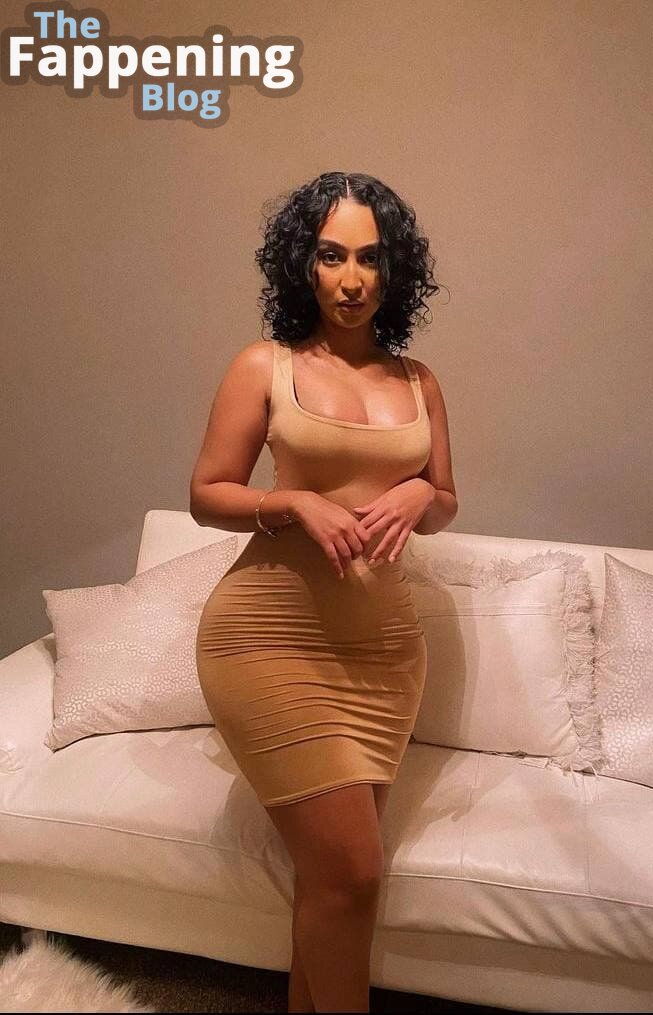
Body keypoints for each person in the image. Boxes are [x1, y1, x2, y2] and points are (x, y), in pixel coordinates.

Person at [190, 171, 458, 1013]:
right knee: (353, 872)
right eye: (332, 255)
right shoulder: (262, 366)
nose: (351, 279)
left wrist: (420, 495)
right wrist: (293, 503)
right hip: (267, 643)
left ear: (394, 270)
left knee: (334, 883)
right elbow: (206, 493)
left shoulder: (419, 380)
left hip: (383, 655)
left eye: (370, 259)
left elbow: (446, 501)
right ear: (301, 263)